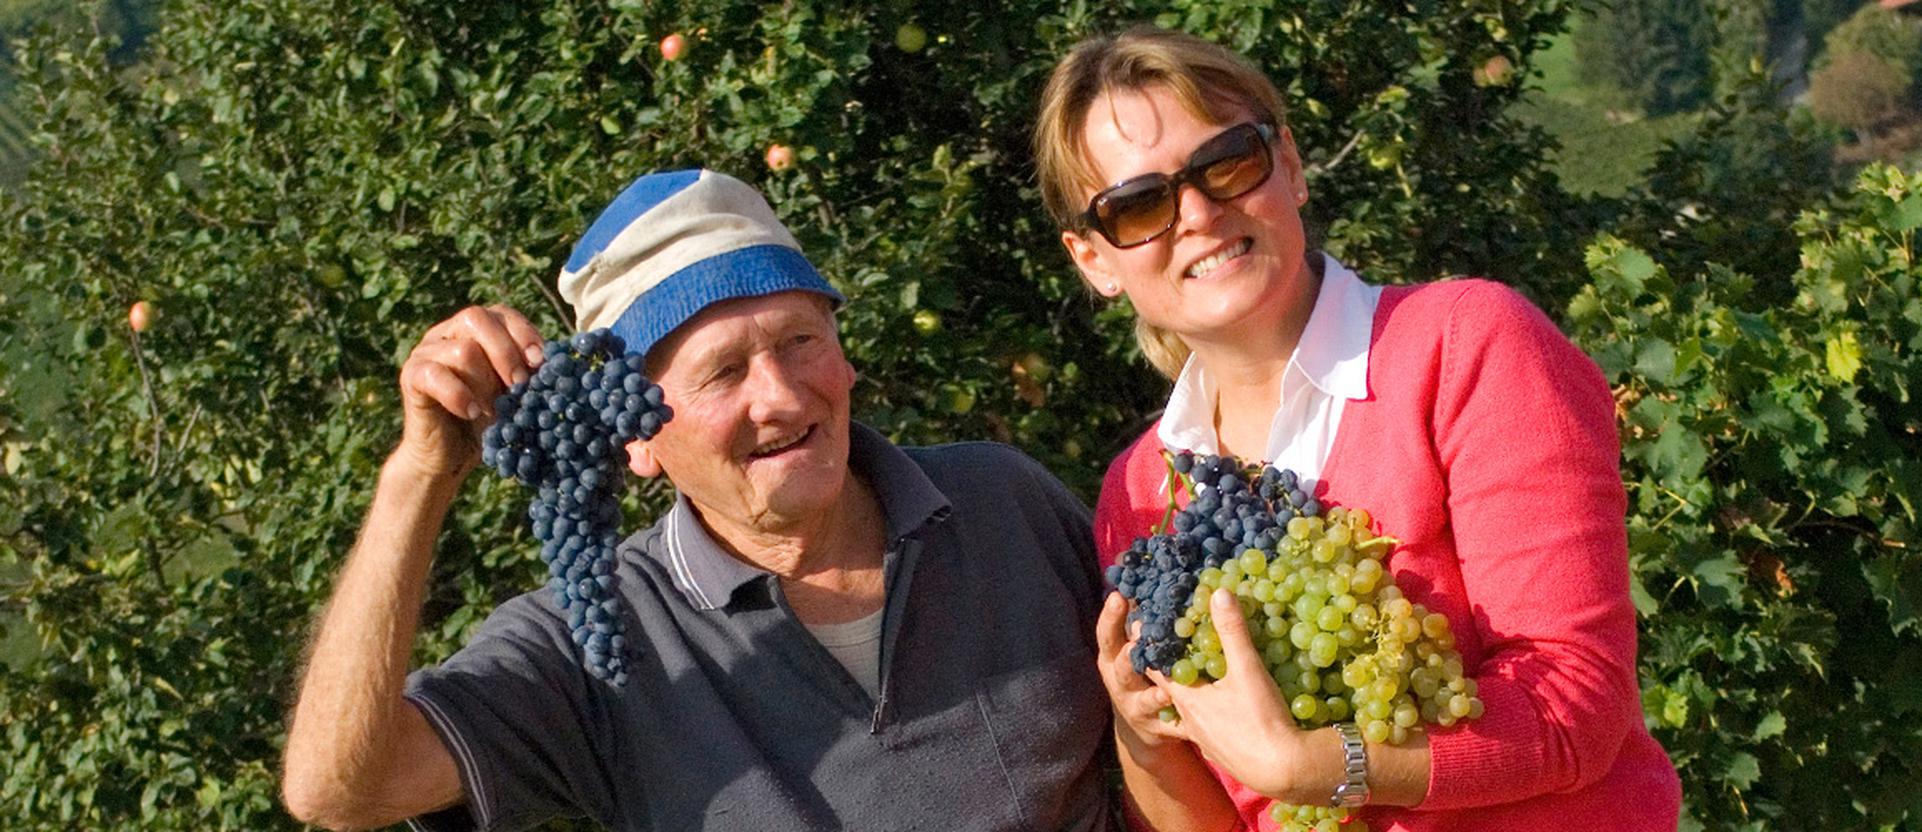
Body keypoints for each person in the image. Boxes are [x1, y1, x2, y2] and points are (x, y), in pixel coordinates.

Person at [281, 169, 1116, 831]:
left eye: (801, 341)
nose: (783, 397)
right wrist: (419, 474)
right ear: (634, 438)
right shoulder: (599, 640)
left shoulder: (1001, 501)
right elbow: (339, 789)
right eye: (722, 372)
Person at [1032, 27, 1682, 831]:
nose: (1196, 213)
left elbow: (1577, 702)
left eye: (1227, 162)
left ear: (1292, 167)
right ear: (1094, 260)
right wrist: (1146, 736)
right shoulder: (1140, 493)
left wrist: (1325, 768)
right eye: (1138, 204)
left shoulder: (1466, 347)